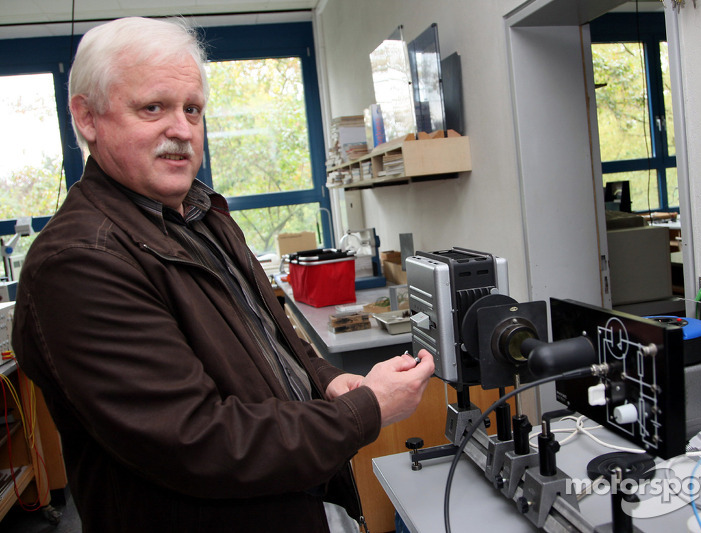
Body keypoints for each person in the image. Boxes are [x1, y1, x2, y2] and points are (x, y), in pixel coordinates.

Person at [11, 16, 434, 533]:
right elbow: (200, 442)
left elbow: (271, 335)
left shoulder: (201, 213)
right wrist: (367, 410)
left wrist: (326, 383)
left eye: (193, 109)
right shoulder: (79, 262)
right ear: (87, 118)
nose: (182, 129)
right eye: (153, 107)